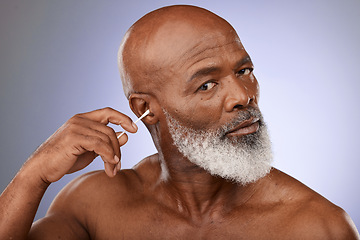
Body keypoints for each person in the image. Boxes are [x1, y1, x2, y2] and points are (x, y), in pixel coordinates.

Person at [0, 5, 359, 239]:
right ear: (146, 107)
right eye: (207, 84)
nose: (243, 95)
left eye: (244, 70)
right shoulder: (95, 206)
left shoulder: (316, 226)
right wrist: (35, 175)